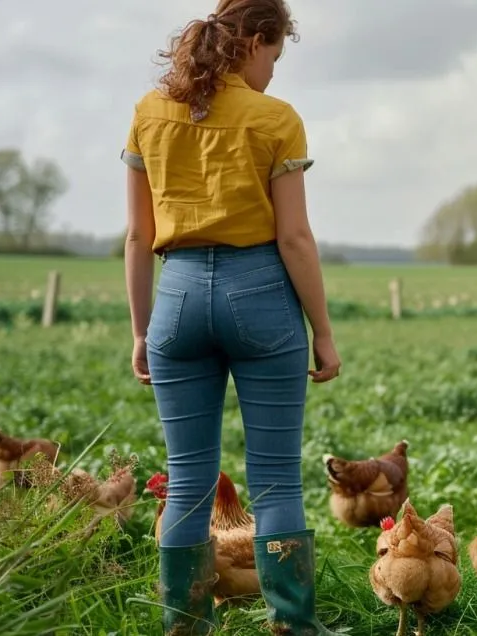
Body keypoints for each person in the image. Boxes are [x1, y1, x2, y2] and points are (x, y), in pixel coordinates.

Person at [120, 0, 341, 632]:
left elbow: (138, 237)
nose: (274, 70)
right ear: (255, 41)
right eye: (275, 56)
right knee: (274, 479)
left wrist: (141, 331)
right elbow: (296, 238)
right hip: (262, 295)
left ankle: (185, 625)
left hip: (177, 298)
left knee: (189, 480)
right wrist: (322, 331)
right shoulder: (276, 119)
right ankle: (293, 624)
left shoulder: (148, 113)